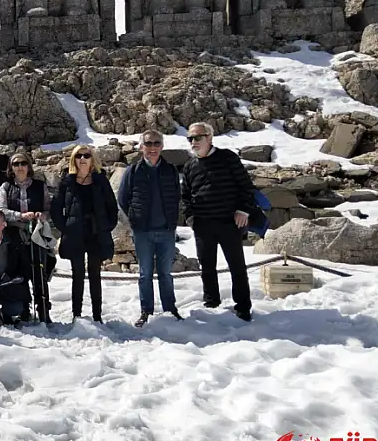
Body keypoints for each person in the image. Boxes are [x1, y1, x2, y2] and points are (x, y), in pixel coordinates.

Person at [180, 122, 258, 322]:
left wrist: (243, 210)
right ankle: (211, 302)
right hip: (202, 224)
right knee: (206, 266)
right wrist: (191, 218)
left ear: (210, 138)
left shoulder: (228, 158)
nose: (194, 142)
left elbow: (246, 187)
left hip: (229, 222)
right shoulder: (189, 166)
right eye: (190, 138)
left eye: (198, 137)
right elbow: (185, 196)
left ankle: (242, 306)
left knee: (237, 266)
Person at [118, 130, 183, 327]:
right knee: (145, 274)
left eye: (156, 143)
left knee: (166, 273)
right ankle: (146, 310)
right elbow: (123, 198)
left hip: (166, 230)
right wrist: (135, 217)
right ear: (141, 147)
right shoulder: (133, 171)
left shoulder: (170, 170)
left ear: (162, 146)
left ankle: (170, 309)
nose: (152, 147)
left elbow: (177, 195)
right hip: (143, 231)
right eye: (148, 143)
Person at [50, 146, 118, 323]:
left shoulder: (100, 179)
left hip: (96, 233)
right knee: (77, 274)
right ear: (73, 159)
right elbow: (56, 207)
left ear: (91, 159)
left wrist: (108, 226)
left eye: (86, 155)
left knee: (95, 274)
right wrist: (64, 227)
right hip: (75, 233)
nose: (82, 158)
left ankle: (97, 315)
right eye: (78, 155)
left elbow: (112, 205)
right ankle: (77, 315)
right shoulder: (67, 181)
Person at [0, 152, 53, 321]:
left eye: (23, 163)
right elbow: (1, 210)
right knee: (17, 270)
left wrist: (41, 215)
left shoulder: (39, 185)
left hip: (36, 233)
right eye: (16, 164)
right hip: (13, 234)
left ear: (29, 166)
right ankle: (23, 308)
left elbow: (48, 209)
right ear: (11, 168)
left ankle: (43, 309)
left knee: (39, 270)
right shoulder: (6, 187)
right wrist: (20, 216)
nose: (20, 167)